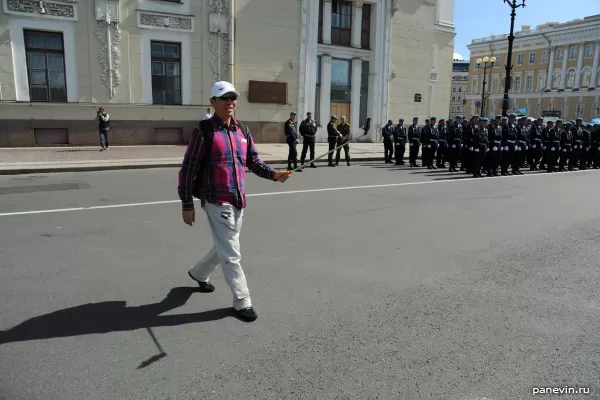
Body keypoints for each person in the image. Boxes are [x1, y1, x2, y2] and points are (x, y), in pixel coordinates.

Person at [177, 81, 292, 322]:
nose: (230, 102)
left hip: (238, 199)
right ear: (213, 102)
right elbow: (188, 169)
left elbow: (253, 161)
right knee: (232, 251)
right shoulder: (204, 131)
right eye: (224, 98)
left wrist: (273, 174)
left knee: (226, 245)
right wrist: (187, 204)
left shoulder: (242, 130)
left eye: (233, 98)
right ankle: (242, 301)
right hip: (216, 200)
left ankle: (199, 273)